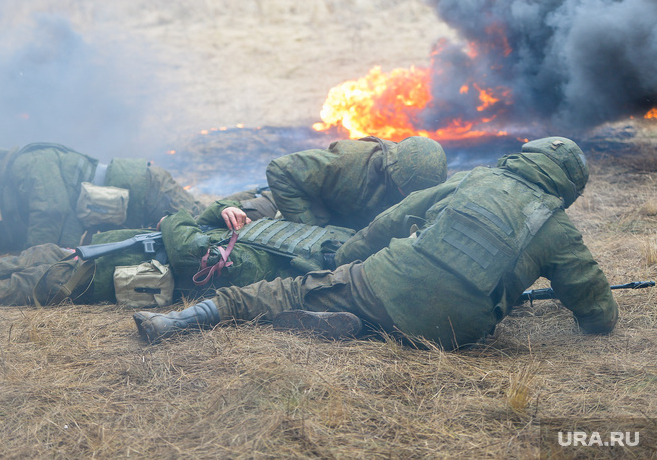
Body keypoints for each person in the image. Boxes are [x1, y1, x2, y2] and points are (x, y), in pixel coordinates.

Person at [134, 137, 619, 349]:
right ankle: (357, 329)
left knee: (291, 290)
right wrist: (595, 315)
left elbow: (394, 219)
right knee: (408, 318)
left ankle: (179, 322)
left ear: (526, 157)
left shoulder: (473, 180)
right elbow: (596, 311)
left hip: (385, 281)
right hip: (457, 335)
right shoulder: (560, 230)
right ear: (567, 188)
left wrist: (345, 260)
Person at [0, 192, 353, 306]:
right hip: (114, 248)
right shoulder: (270, 243)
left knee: (25, 283)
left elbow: (185, 243)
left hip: (111, 274)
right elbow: (200, 219)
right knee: (32, 258)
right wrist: (225, 210)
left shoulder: (260, 268)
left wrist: (172, 221)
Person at [0, 142, 205, 252]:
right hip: (138, 201)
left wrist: (34, 258)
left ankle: (244, 205)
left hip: (149, 190)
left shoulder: (27, 162)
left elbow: (51, 210)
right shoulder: (20, 173)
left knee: (209, 226)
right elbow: (66, 216)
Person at [265, 135, 447, 230]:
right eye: (404, 191)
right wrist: (311, 228)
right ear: (392, 171)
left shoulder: (423, 177)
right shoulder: (345, 163)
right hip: (313, 209)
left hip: (355, 225)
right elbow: (279, 170)